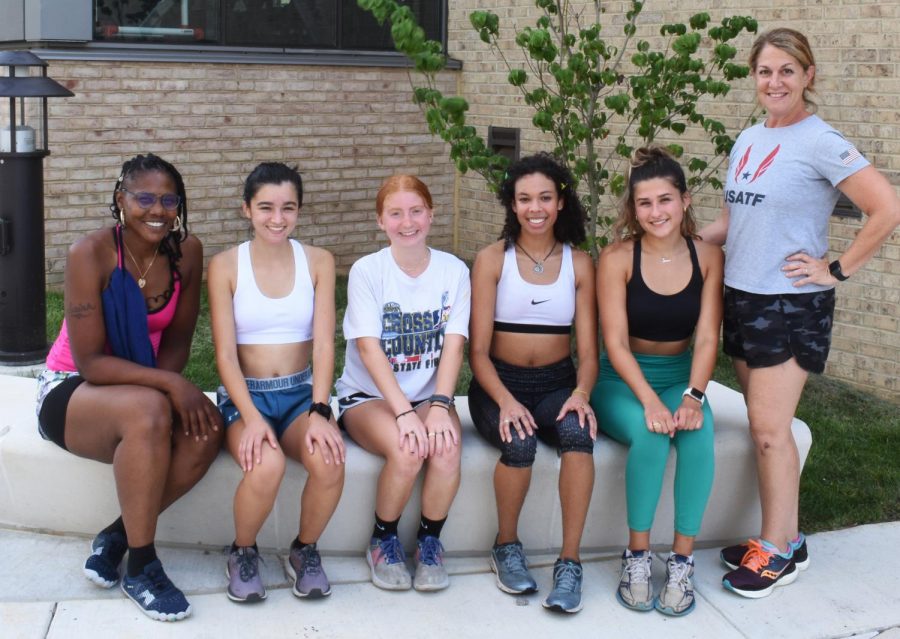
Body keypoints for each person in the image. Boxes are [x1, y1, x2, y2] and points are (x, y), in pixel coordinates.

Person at [699, 28, 900, 599]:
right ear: (754, 77)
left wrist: (836, 268)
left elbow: (886, 207)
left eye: (787, 70)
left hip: (788, 304)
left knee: (766, 430)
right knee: (772, 428)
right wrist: (673, 238)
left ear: (808, 75)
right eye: (765, 71)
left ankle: (778, 550)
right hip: (740, 298)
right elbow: (732, 224)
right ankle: (785, 535)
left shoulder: (821, 141)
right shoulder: (748, 139)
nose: (775, 81)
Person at [34, 153, 223, 622]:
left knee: (207, 429)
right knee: (149, 413)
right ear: (121, 200)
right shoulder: (90, 252)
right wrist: (167, 387)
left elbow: (178, 339)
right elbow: (92, 362)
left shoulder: (188, 251)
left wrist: (167, 385)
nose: (156, 210)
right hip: (73, 389)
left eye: (167, 200)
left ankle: (117, 534)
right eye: (143, 198)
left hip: (141, 383)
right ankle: (141, 565)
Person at [590, 147, 723, 616]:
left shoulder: (707, 256)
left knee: (698, 432)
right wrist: (648, 401)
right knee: (652, 435)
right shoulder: (617, 257)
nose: (655, 212)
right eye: (644, 203)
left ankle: (683, 560)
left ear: (685, 201)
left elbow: (707, 338)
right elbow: (615, 343)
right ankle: (638, 557)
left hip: (679, 379)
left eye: (665, 200)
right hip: (622, 384)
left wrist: (693, 396)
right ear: (633, 207)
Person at [208, 162, 345, 603]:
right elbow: (225, 355)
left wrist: (321, 411)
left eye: (288, 208)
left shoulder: (319, 261)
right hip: (245, 395)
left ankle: (303, 551)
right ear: (246, 209)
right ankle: (242, 551)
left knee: (329, 459)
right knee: (266, 465)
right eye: (265, 207)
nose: (277, 218)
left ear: (299, 211)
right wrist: (250, 417)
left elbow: (325, 346)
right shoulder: (226, 265)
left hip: (301, 393)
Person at [468, 153, 598, 614]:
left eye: (544, 197)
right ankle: (506, 545)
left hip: (556, 383)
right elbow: (477, 353)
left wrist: (582, 394)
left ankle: (570, 561)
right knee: (519, 442)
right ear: (512, 204)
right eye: (524, 199)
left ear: (561, 201)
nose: (535, 207)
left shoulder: (579, 263)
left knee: (578, 435)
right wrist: (504, 401)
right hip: (497, 383)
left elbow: (588, 351)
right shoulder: (491, 259)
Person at [335, 174, 470, 592]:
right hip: (369, 397)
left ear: (431, 214)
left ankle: (430, 541)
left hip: (429, 395)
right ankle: (383, 538)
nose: (406, 222)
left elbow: (454, 344)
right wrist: (405, 413)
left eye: (415, 211)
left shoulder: (454, 270)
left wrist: (442, 405)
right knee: (408, 448)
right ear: (381, 221)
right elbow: (370, 349)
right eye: (395, 213)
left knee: (445, 447)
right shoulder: (368, 271)